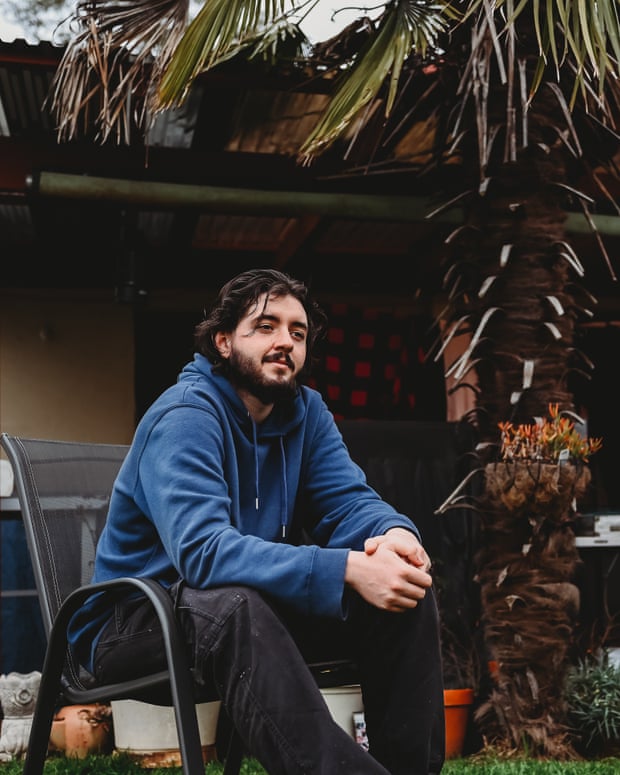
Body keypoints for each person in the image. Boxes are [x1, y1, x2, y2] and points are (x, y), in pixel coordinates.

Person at [69, 268, 445, 775]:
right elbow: (204, 554)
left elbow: (348, 502)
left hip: (239, 612)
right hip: (134, 621)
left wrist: (393, 535)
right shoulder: (184, 416)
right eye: (266, 326)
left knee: (404, 595)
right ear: (223, 342)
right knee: (233, 606)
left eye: (298, 331)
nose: (285, 341)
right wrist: (346, 568)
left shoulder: (306, 415)